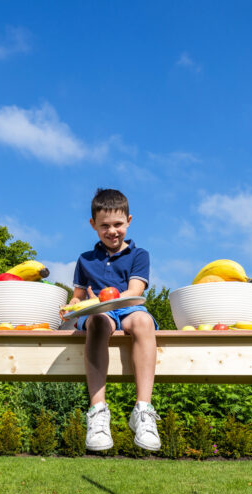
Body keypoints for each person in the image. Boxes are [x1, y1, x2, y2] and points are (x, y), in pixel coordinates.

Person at [66, 188, 160, 451]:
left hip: (128, 308)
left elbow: (135, 292)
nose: (112, 231)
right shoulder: (85, 260)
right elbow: (78, 296)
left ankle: (143, 411)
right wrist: (72, 305)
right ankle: (97, 412)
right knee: (96, 321)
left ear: (129, 221)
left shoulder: (139, 255)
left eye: (118, 224)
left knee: (144, 321)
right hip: (99, 312)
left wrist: (108, 299)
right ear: (93, 225)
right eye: (104, 225)